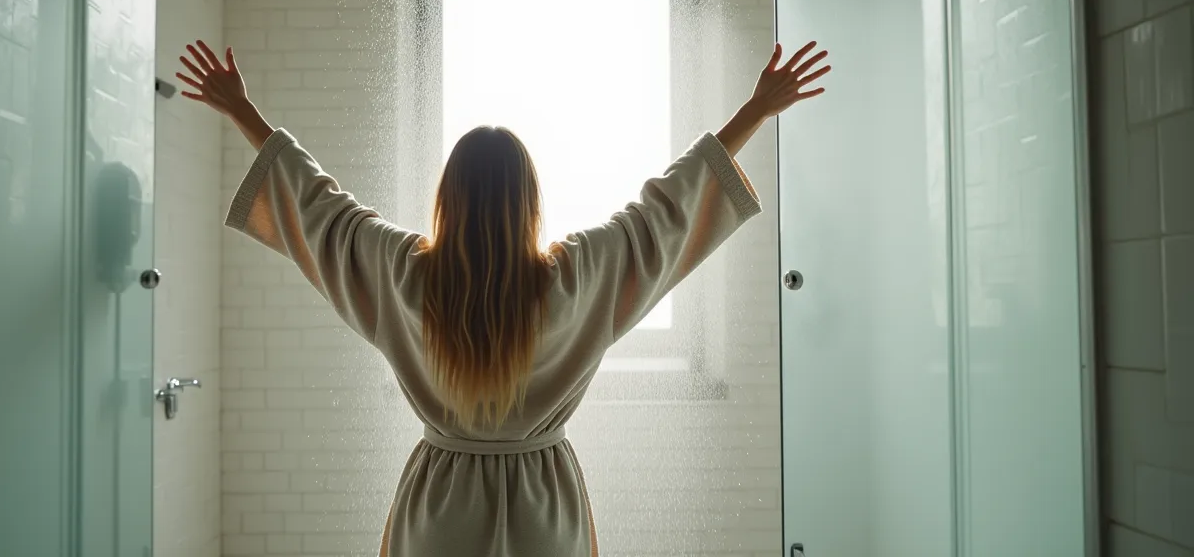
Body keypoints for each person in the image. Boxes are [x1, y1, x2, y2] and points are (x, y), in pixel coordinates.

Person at [176, 39, 830, 557]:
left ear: (447, 200)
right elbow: (666, 208)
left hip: (439, 510)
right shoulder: (577, 277)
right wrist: (756, 108)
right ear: (530, 202)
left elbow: (321, 208)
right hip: (544, 508)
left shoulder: (405, 275)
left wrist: (240, 109)